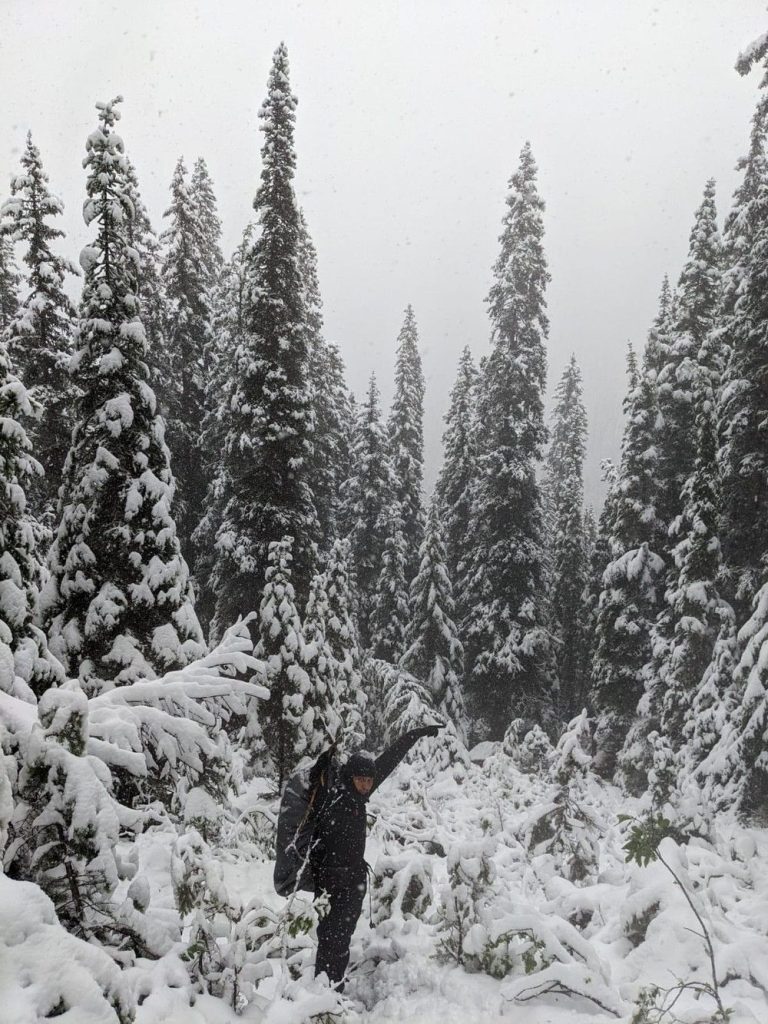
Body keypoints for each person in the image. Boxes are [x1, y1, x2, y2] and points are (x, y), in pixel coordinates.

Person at [309, 725, 441, 990]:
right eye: (361, 780)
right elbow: (316, 800)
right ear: (351, 777)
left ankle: (332, 990)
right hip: (330, 882)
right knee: (329, 937)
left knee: (341, 938)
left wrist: (414, 734)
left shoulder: (361, 793)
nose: (366, 785)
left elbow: (389, 759)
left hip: (352, 881)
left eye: (369, 781)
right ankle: (324, 993)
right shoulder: (335, 797)